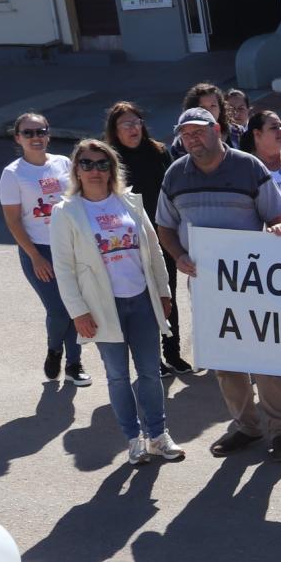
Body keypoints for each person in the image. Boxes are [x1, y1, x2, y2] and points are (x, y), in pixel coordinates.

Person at [154, 108, 281, 460]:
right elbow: (165, 227)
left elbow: (275, 215)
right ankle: (247, 426)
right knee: (225, 360)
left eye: (198, 132)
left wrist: (277, 228)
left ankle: (280, 431)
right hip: (206, 284)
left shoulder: (248, 167)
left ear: (217, 130)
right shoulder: (175, 175)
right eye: (185, 134)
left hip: (252, 281)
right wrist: (178, 256)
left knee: (266, 357)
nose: (191, 139)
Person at [51, 138, 180, 466]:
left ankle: (158, 436)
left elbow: (153, 251)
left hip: (140, 300)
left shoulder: (129, 202)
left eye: (102, 163)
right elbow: (64, 269)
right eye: (87, 164)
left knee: (150, 372)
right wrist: (78, 311)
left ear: (112, 168)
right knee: (118, 375)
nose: (95, 171)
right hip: (101, 307)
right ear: (76, 171)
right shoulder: (66, 213)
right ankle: (133, 439)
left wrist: (163, 293)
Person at [0, 113, 84, 385]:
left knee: (76, 307)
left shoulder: (63, 163)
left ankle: (74, 364)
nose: (36, 138)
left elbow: (78, 202)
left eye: (40, 131)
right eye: (28, 133)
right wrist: (35, 257)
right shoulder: (13, 174)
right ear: (18, 138)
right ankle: (54, 349)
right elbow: (12, 220)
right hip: (39, 251)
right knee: (58, 309)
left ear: (48, 134)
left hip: (70, 247)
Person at [105, 101, 182, 376]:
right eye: (126, 124)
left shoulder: (159, 151)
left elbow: (174, 187)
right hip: (130, 240)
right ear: (115, 130)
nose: (133, 128)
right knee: (144, 299)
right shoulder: (110, 159)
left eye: (137, 122)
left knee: (166, 292)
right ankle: (153, 359)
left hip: (163, 232)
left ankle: (173, 352)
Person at [166, 82, 241, 159]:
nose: (208, 112)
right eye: (202, 108)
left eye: (213, 106)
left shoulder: (237, 132)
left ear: (220, 108)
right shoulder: (181, 144)